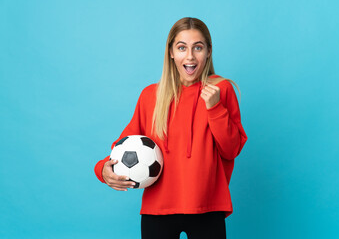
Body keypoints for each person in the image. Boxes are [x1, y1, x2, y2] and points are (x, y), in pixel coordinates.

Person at [94, 17, 247, 239]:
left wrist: (215, 109)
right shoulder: (150, 96)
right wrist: (102, 169)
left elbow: (231, 149)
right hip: (158, 208)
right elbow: (124, 145)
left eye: (198, 47)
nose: (190, 56)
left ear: (209, 52)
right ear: (171, 52)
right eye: (182, 47)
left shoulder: (220, 90)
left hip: (207, 207)